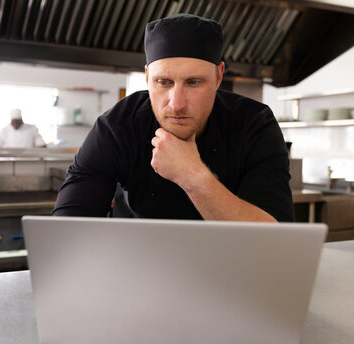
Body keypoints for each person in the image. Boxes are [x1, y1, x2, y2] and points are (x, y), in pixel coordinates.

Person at [53, 14, 294, 222]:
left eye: (194, 82)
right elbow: (69, 228)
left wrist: (193, 176)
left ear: (218, 77)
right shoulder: (117, 126)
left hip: (227, 267)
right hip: (135, 265)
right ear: (148, 77)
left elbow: (274, 239)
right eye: (163, 82)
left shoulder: (254, 124)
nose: (176, 103)